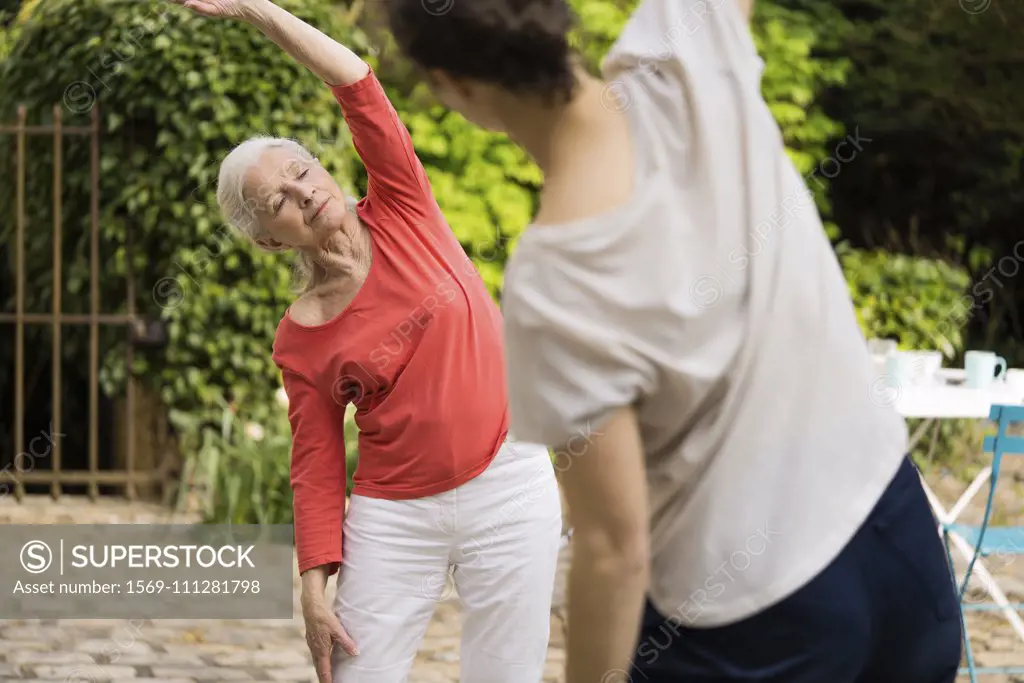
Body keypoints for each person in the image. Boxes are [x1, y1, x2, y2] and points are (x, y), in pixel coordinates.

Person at [383, 0, 963, 682]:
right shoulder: (685, 51)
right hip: (898, 547)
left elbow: (613, 547)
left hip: (754, 622)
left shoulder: (552, 280)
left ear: (453, 83)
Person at [167, 1, 563, 682]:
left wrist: (259, 12)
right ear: (269, 239)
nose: (301, 192)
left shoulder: (403, 202)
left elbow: (357, 84)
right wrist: (313, 584)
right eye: (277, 203)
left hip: (509, 481)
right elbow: (315, 461)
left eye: (300, 171)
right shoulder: (301, 335)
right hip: (395, 514)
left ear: (321, 167)